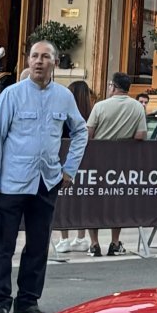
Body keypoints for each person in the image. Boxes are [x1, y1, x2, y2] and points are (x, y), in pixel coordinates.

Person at [0, 40, 88, 313]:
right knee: (3, 245)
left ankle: (27, 301)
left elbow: (80, 131)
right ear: (28, 61)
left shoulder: (64, 97)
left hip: (47, 182)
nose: (39, 61)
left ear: (55, 63)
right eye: (34, 56)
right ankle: (0, 304)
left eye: (45, 57)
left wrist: (69, 169)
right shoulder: (11, 94)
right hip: (11, 183)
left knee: (38, 245)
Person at [85, 72, 149, 256]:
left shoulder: (100, 106)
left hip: (98, 161)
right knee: (117, 201)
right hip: (122, 162)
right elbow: (141, 135)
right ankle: (114, 242)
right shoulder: (138, 107)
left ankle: (94, 244)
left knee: (94, 201)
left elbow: (88, 135)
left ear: (113, 86)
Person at [54, 80, 95, 254]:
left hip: (65, 160)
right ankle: (81, 237)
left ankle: (64, 239)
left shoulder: (65, 112)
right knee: (82, 199)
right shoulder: (91, 114)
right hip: (88, 162)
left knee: (64, 201)